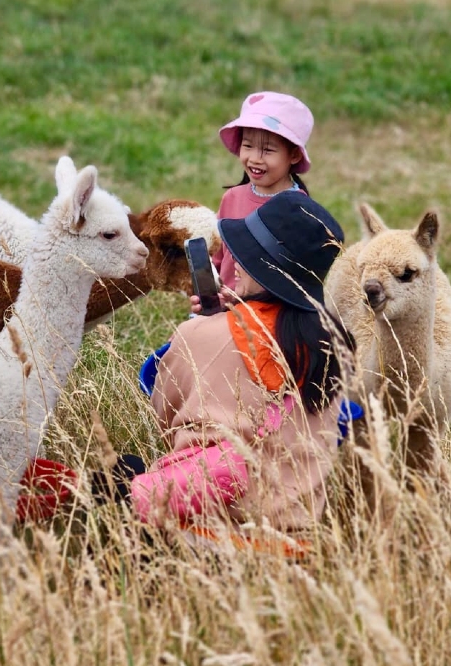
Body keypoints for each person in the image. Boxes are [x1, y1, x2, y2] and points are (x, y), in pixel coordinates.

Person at [112, 190, 351, 537]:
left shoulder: (201, 334)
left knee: (125, 473)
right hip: (298, 537)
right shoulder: (332, 344)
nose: (234, 260)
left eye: (244, 252)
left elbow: (166, 414)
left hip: (212, 530)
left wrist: (210, 325)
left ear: (261, 265)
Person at [211, 91, 315, 290]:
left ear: (293, 155)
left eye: (267, 150)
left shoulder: (298, 210)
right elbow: (216, 257)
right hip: (225, 306)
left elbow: (299, 279)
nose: (255, 158)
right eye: (248, 145)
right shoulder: (232, 198)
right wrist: (208, 295)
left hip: (267, 311)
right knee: (189, 323)